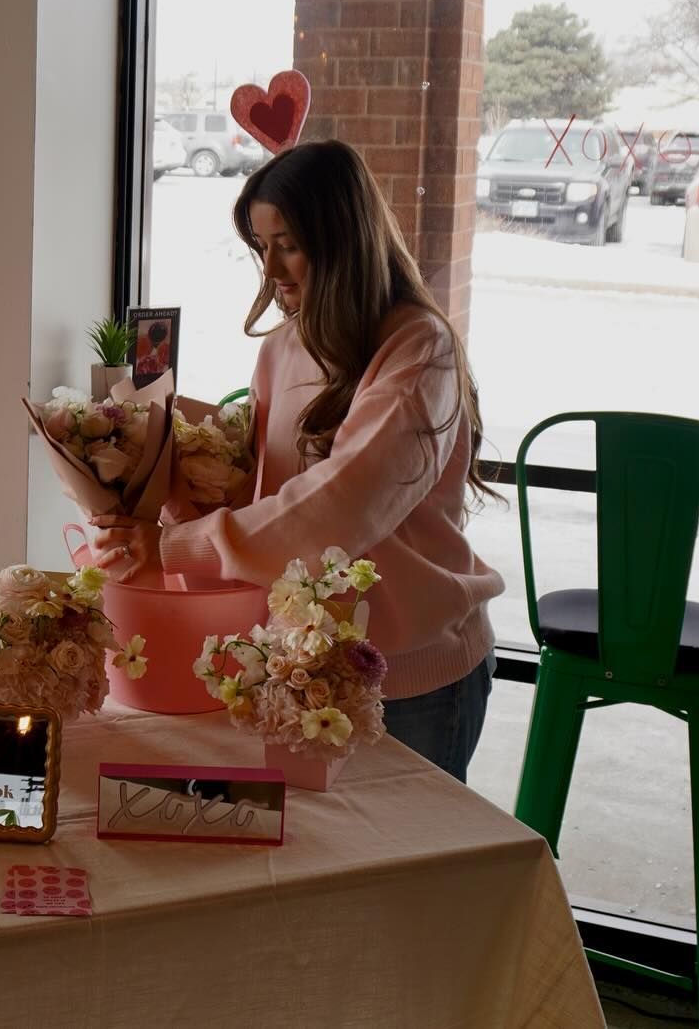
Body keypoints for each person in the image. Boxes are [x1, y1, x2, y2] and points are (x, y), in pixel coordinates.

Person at [93, 140, 504, 782]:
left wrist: (173, 546)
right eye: (262, 247)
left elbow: (338, 509)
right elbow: (264, 488)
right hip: (306, 670)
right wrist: (142, 447)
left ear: (344, 239)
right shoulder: (286, 346)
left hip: (415, 678)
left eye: (288, 244)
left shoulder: (419, 352)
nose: (272, 270)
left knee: (407, 880)